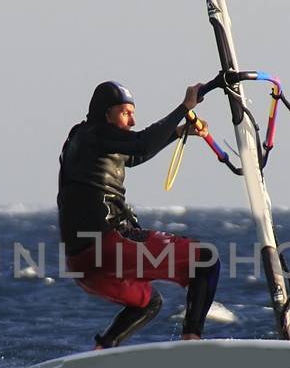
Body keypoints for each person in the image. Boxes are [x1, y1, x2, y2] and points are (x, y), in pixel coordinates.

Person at [57, 80, 221, 348]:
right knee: (205, 259)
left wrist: (179, 132)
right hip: (109, 246)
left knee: (148, 302)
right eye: (125, 113)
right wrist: (185, 107)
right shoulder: (96, 133)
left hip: (82, 266)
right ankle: (192, 344)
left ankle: (101, 352)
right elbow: (142, 144)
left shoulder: (81, 138)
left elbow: (132, 155)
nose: (132, 121)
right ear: (106, 113)